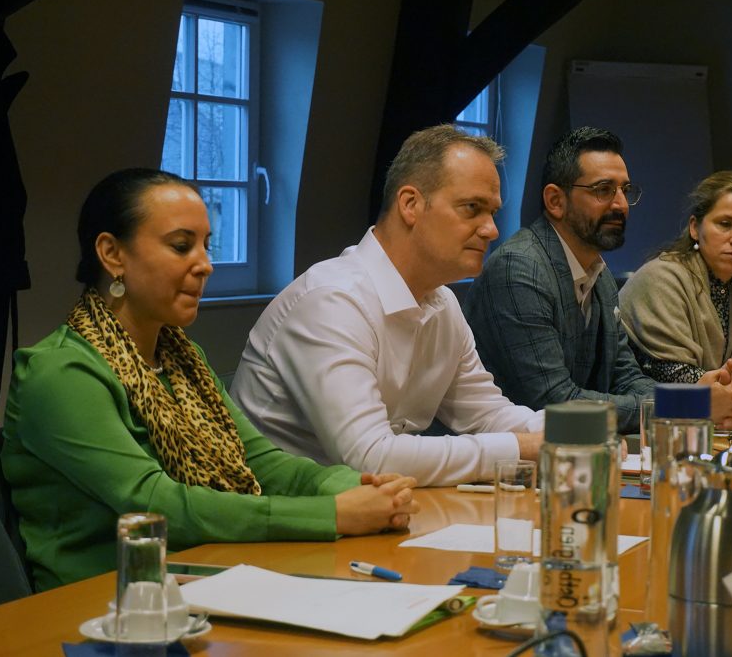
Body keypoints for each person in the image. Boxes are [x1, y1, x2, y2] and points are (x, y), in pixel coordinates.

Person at [1, 168, 418, 591]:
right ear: (112, 255)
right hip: (101, 606)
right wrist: (335, 513)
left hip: (203, 574)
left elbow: (260, 462)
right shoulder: (60, 374)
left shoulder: (183, 358)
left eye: (206, 246)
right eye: (181, 246)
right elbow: (158, 506)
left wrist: (364, 487)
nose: (205, 264)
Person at [230, 125, 544, 487]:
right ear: (410, 204)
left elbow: (487, 413)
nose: (491, 230)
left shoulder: (442, 303)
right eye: (472, 208)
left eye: (492, 212)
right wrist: (520, 448)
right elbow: (371, 458)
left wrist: (574, 434)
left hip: (363, 514)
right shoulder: (332, 300)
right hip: (282, 521)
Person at [462, 128, 732, 432]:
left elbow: (625, 376)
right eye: (603, 190)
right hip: (504, 465)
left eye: (624, 190)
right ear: (555, 201)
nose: (621, 205)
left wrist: (694, 395)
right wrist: (691, 406)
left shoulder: (598, 274)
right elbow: (554, 402)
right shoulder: (520, 269)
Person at [618, 170, 732, 391]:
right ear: (694, 228)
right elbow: (673, 375)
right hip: (649, 417)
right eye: (725, 223)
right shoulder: (660, 280)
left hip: (721, 415)